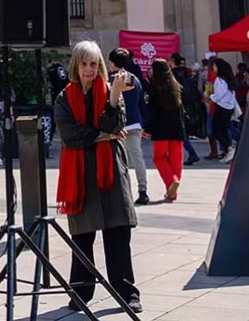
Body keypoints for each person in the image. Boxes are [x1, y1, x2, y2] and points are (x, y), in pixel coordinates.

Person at [54, 40, 142, 314]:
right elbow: (70, 136)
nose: (89, 69)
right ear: (75, 66)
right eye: (84, 64)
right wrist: (101, 135)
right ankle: (80, 292)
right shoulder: (63, 98)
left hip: (111, 171)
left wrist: (114, 97)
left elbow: (115, 124)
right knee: (82, 236)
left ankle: (126, 292)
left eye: (94, 63)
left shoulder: (110, 91)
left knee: (118, 232)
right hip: (80, 172)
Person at [108, 48, 149, 205]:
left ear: (112, 62)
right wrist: (144, 123)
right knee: (137, 157)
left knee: (120, 161)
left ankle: (124, 193)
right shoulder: (135, 79)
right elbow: (141, 103)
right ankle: (143, 190)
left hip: (118, 127)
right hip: (135, 123)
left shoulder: (111, 80)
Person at [143, 59, 186, 202]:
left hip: (161, 130)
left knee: (159, 158)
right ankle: (173, 193)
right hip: (177, 129)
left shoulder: (154, 89)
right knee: (176, 160)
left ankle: (171, 181)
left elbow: (152, 113)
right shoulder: (176, 87)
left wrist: (147, 129)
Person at [211, 58, 238, 163]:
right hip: (228, 107)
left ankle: (229, 148)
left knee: (216, 131)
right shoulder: (228, 79)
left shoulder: (220, 79)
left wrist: (211, 97)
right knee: (223, 130)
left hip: (222, 107)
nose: (213, 68)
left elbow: (219, 94)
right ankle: (228, 150)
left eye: (214, 66)